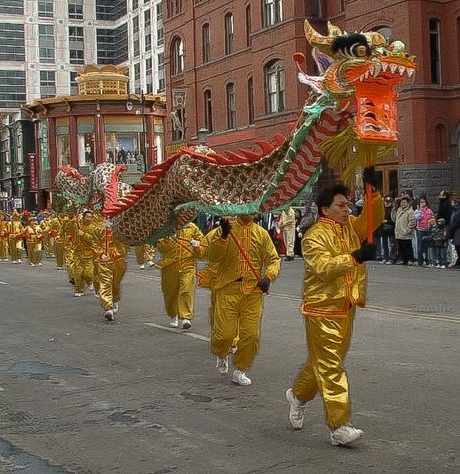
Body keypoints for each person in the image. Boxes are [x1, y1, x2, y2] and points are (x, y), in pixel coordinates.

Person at [285, 169, 383, 446]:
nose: (346, 209)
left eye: (348, 204)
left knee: (326, 363)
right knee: (330, 366)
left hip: (345, 306)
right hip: (321, 309)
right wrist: (355, 257)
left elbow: (372, 220)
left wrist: (373, 193)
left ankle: (298, 395)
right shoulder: (314, 236)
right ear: (324, 208)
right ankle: (339, 425)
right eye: (341, 205)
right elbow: (323, 268)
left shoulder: (349, 227)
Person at [201, 215, 280, 386]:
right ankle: (221, 352)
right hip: (227, 289)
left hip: (252, 292)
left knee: (251, 335)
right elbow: (213, 257)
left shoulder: (261, 233)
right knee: (224, 335)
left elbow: (273, 259)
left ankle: (240, 369)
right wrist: (223, 237)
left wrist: (268, 276)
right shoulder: (224, 230)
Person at [156, 222, 204, 329]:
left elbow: (202, 243)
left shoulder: (191, 227)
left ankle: (185, 317)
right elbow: (161, 248)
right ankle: (173, 315)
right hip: (169, 264)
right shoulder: (166, 227)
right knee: (170, 293)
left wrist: (197, 245)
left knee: (186, 289)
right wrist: (167, 239)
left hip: (188, 264)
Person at [92, 217, 129, 321]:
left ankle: (115, 299)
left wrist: (123, 252)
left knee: (116, 282)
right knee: (105, 283)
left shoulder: (121, 227)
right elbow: (94, 243)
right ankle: (108, 307)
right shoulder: (98, 228)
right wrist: (100, 253)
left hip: (119, 260)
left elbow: (127, 241)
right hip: (104, 261)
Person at [73, 210, 96, 296]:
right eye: (87, 217)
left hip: (89, 253)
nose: (89, 219)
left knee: (88, 273)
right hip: (78, 253)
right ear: (83, 217)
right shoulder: (78, 225)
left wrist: (84, 235)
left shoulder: (93, 228)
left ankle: (90, 281)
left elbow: (94, 240)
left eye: (90, 217)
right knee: (78, 273)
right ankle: (79, 290)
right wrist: (73, 222)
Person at [393, 196, 416, 265]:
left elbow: (412, 222)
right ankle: (403, 259)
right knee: (400, 248)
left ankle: (410, 260)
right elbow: (394, 219)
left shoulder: (410, 211)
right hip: (399, 232)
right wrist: (394, 210)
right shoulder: (399, 210)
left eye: (404, 202)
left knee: (407, 247)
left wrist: (407, 230)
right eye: (401, 202)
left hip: (406, 233)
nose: (402, 204)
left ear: (407, 203)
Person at [414, 197, 434, 266]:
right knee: (420, 246)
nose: (422, 204)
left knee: (427, 246)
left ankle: (427, 260)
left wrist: (431, 223)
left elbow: (432, 218)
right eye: (421, 202)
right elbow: (417, 217)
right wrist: (420, 210)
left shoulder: (429, 210)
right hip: (420, 230)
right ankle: (420, 261)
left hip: (427, 229)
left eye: (424, 202)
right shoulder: (417, 210)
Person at [380, 195, 396, 264]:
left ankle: (392, 258)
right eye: (386, 201)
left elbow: (394, 219)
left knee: (392, 244)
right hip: (383, 229)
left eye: (388, 202)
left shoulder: (393, 210)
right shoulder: (382, 209)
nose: (387, 203)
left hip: (391, 229)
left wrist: (387, 221)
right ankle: (385, 257)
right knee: (384, 244)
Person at [448, 192, 460, 267]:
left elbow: (458, 221)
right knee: (457, 247)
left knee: (458, 246)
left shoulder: (458, 209)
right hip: (456, 231)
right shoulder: (455, 209)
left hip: (458, 229)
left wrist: (452, 227)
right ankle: (458, 261)